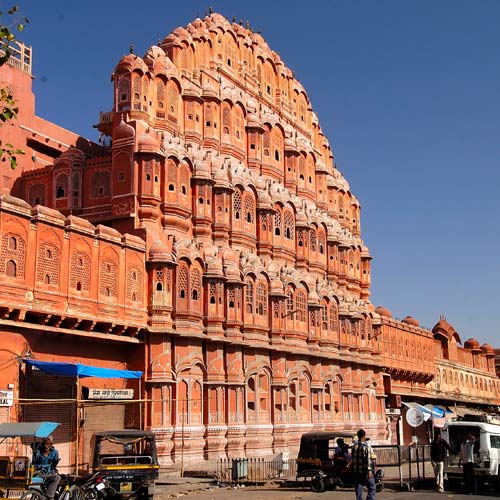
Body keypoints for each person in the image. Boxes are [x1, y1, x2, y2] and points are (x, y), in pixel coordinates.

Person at [351, 429, 376, 500]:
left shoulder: (354, 447)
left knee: (358, 488)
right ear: (364, 436)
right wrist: (369, 471)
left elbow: (352, 459)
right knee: (372, 487)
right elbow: (368, 460)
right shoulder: (366, 446)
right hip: (365, 471)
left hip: (356, 471)